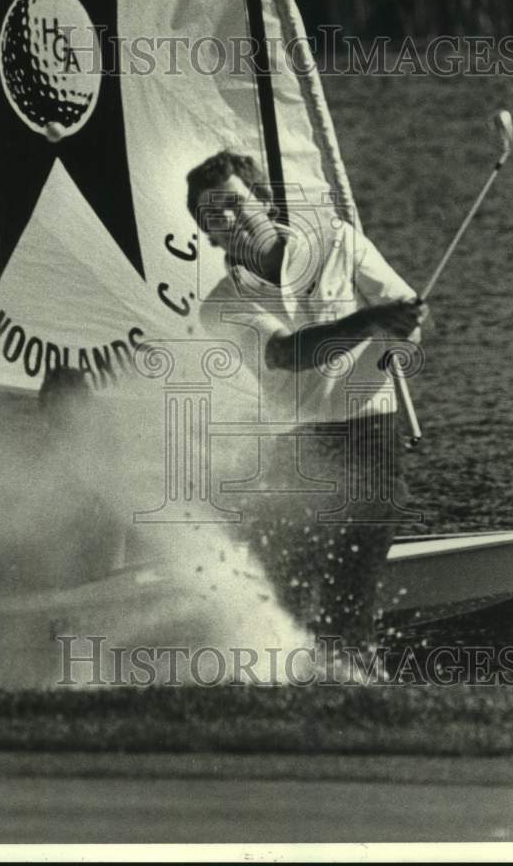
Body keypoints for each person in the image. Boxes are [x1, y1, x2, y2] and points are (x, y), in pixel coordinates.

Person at [186, 150, 427, 655]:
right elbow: (289, 353)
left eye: (233, 202)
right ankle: (282, 684)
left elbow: (409, 317)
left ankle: (349, 683)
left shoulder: (339, 240)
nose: (228, 219)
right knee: (286, 593)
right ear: (207, 235)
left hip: (372, 437)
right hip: (298, 450)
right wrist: (371, 321)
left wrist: (405, 326)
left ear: (265, 202)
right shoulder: (221, 307)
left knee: (348, 592)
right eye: (213, 216)